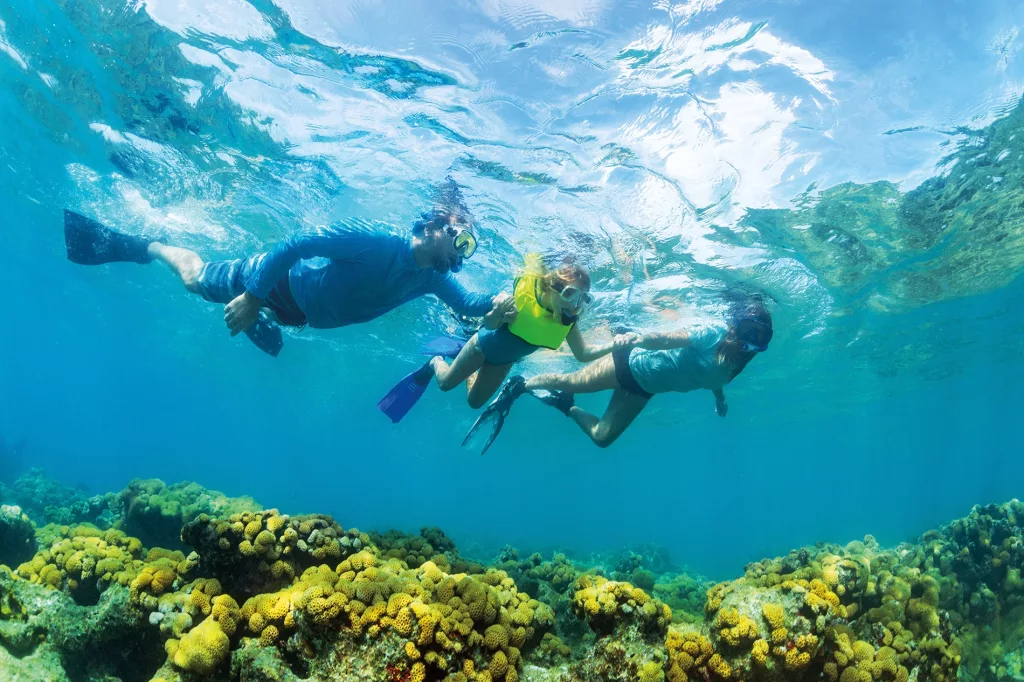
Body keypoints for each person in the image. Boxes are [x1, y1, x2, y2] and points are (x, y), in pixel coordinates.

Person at [62, 181, 514, 356]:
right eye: (462, 240)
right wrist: (253, 296)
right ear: (435, 224)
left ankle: (265, 318)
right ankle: (151, 244)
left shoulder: (432, 279)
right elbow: (296, 244)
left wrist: (498, 305)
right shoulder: (379, 242)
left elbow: (472, 304)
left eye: (469, 250)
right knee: (193, 282)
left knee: (276, 330)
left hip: (298, 314)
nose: (462, 256)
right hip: (271, 283)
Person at [464, 301, 773, 451]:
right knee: (570, 381)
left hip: (643, 390)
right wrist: (637, 338)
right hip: (631, 362)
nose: (750, 343)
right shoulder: (712, 334)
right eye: (748, 332)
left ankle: (564, 406)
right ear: (735, 326)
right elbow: (668, 339)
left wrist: (720, 398)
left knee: (602, 438)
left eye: (759, 338)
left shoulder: (737, 365)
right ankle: (520, 385)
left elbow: (714, 380)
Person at [378, 253, 640, 422]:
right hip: (481, 347)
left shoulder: (567, 324)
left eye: (584, 299)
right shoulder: (522, 302)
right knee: (446, 384)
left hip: (503, 362)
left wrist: (613, 346)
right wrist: (496, 313)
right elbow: (489, 325)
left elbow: (582, 355)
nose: (576, 305)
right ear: (552, 286)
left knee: (474, 403)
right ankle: (436, 361)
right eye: (571, 295)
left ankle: (465, 368)